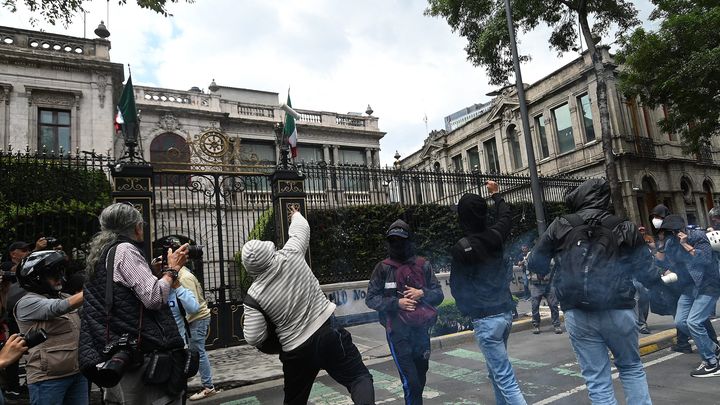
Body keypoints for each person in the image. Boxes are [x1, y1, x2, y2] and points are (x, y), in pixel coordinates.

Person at [528, 178, 660, 405]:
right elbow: (647, 272)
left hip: (578, 312)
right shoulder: (624, 226)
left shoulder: (561, 224)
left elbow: (535, 263)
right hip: (619, 309)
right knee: (631, 367)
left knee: (597, 379)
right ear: (605, 199)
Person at [241, 206, 375, 405]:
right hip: (328, 332)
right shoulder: (291, 254)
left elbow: (253, 337)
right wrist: (294, 213)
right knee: (358, 378)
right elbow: (302, 227)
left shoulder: (254, 295)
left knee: (294, 401)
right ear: (270, 251)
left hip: (295, 350)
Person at [78, 202, 190, 405]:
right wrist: (172, 270)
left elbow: (124, 293)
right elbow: (154, 298)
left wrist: (152, 272)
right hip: (142, 356)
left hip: (117, 351)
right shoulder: (125, 250)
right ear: (137, 227)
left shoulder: (102, 252)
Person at [449, 180, 526, 405]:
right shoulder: (496, 235)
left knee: (505, 378)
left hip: (485, 319)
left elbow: (457, 286)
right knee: (497, 374)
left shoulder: (461, 247)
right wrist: (496, 195)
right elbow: (505, 216)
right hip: (504, 313)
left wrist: (469, 310)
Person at [366, 219, 443, 405]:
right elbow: (371, 298)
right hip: (397, 332)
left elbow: (438, 294)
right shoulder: (383, 268)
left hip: (421, 331)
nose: (397, 244)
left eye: (401, 240)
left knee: (421, 375)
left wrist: (422, 293)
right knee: (411, 382)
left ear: (409, 241)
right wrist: (396, 303)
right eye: (393, 241)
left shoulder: (423, 265)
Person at [14, 250, 86, 405]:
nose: (59, 278)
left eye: (60, 273)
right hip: (47, 379)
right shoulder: (27, 303)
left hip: (76, 373)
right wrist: (93, 288)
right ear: (37, 278)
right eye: (53, 275)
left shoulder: (64, 297)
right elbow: (57, 308)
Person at [656, 214, 720, 377]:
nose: (670, 235)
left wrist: (685, 244)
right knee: (680, 322)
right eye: (667, 232)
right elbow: (664, 263)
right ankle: (713, 348)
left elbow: (705, 259)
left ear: (681, 229)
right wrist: (661, 245)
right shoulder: (670, 242)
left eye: (672, 231)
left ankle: (712, 363)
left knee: (694, 322)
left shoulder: (698, 236)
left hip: (708, 284)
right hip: (689, 287)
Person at [177, 266, 217, 401]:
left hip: (197, 319)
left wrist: (182, 322)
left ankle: (208, 387)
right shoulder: (183, 274)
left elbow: (192, 305)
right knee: (196, 351)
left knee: (198, 352)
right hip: (197, 319)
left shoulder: (184, 277)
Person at [527, 258, 561, 335]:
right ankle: (536, 325)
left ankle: (556, 325)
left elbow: (554, 267)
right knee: (535, 306)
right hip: (536, 285)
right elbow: (527, 268)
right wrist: (531, 279)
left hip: (549, 283)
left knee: (553, 305)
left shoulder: (550, 256)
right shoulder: (531, 255)